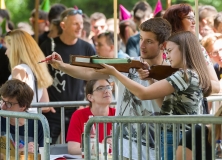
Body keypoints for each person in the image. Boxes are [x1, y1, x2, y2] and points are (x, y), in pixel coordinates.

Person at [45, 17, 172, 160]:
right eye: (141, 38)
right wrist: (62, 66)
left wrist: (151, 78)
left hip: (156, 148)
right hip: (123, 148)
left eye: (149, 41)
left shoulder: (172, 72)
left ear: (163, 45)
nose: (141, 45)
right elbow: (89, 73)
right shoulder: (127, 64)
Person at [96, 31, 212, 160]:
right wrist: (150, 79)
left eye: (170, 51)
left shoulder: (185, 75)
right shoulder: (189, 74)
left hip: (178, 135)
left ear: (184, 50)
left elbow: (143, 94)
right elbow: (163, 106)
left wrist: (115, 73)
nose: (167, 56)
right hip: (178, 134)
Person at [40, 8, 96, 144]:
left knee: (76, 149)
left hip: (77, 109)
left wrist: (86, 103)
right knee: (47, 147)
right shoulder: (49, 46)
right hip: (52, 110)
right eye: (75, 23)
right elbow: (39, 74)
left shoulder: (87, 48)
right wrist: (45, 101)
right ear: (63, 25)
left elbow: (94, 78)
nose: (80, 27)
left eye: (81, 23)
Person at [4, 29, 53, 113]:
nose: (5, 52)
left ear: (15, 50)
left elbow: (14, 102)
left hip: (18, 123)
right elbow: (45, 105)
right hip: (33, 121)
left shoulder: (19, 70)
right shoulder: (37, 70)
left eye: (8, 48)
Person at [66, 79, 115, 155]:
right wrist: (99, 147)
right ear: (90, 97)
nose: (106, 91)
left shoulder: (118, 114)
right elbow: (72, 149)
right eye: (100, 88)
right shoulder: (78, 115)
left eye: (108, 87)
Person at [0, 79, 44, 152]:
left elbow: (43, 153)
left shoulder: (37, 123)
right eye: (2, 101)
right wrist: (22, 151)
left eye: (8, 104)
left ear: (23, 106)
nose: (3, 107)